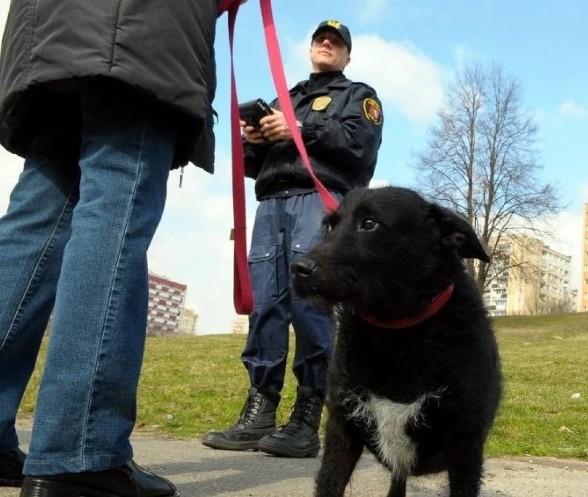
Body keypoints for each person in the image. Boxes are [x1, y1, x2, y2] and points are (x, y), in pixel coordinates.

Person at [0, 0, 225, 495]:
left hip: (49, 27)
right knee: (115, 198)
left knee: (36, 216)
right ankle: (79, 451)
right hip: (139, 28)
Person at [201, 19, 383, 458]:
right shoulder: (287, 98)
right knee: (265, 307)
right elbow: (253, 166)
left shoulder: (359, 96)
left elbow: (359, 147)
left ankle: (306, 415)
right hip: (272, 205)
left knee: (311, 306)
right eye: (321, 38)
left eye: (336, 42)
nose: (326, 44)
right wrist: (254, 141)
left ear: (346, 55)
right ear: (310, 47)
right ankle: (259, 410)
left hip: (319, 204)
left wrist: (301, 129)